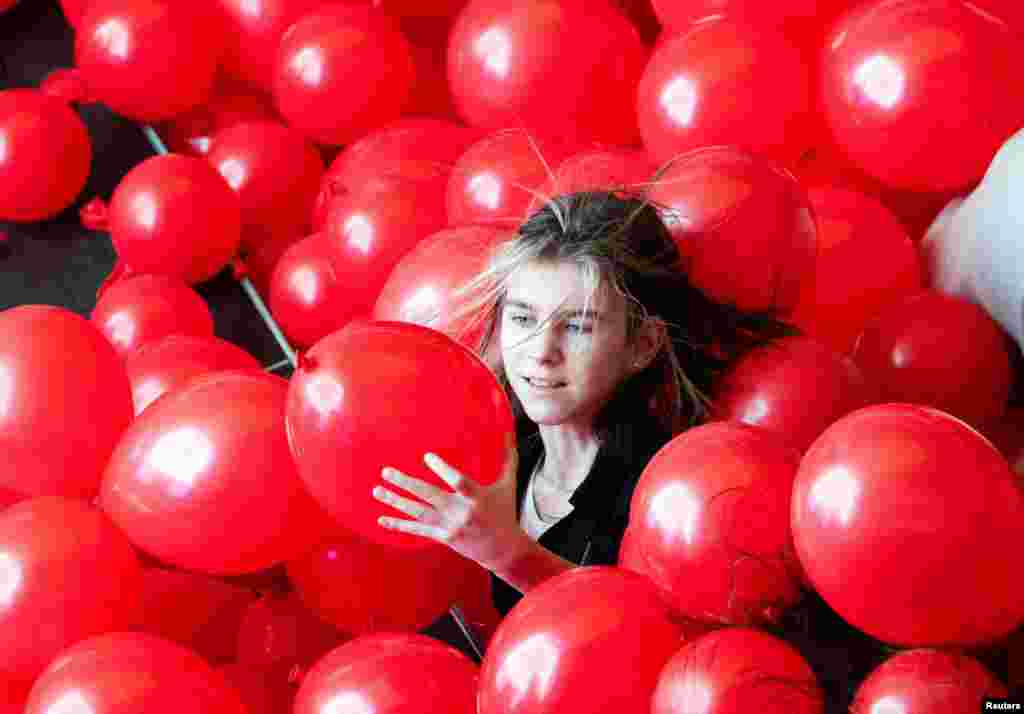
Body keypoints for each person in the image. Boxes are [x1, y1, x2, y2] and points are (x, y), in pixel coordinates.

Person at [372, 190, 795, 617]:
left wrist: (508, 552)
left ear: (643, 344)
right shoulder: (486, 456)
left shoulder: (669, 492)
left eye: (577, 327)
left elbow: (656, 637)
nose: (542, 351)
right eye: (522, 318)